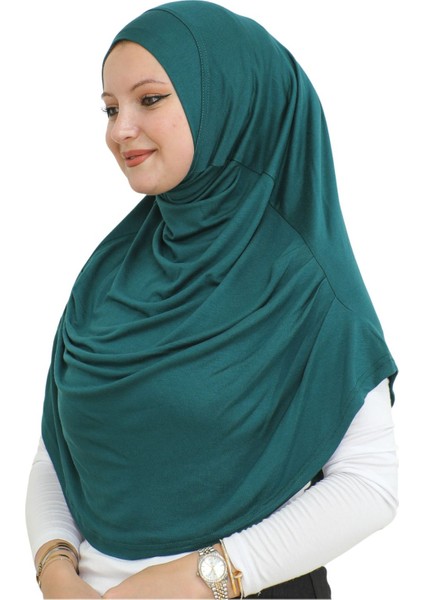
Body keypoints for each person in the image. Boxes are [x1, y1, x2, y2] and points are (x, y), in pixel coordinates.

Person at [26, 1, 398, 598]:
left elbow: (368, 485)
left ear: (229, 103)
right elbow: (59, 452)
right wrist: (55, 569)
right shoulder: (109, 274)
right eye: (111, 108)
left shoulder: (308, 284)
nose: (119, 130)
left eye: (150, 99)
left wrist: (201, 578)